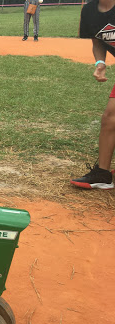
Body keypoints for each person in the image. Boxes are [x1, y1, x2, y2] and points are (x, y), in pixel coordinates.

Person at [70, 0, 115, 189]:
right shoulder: (89, 10)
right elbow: (98, 42)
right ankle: (103, 174)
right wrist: (100, 63)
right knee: (110, 118)